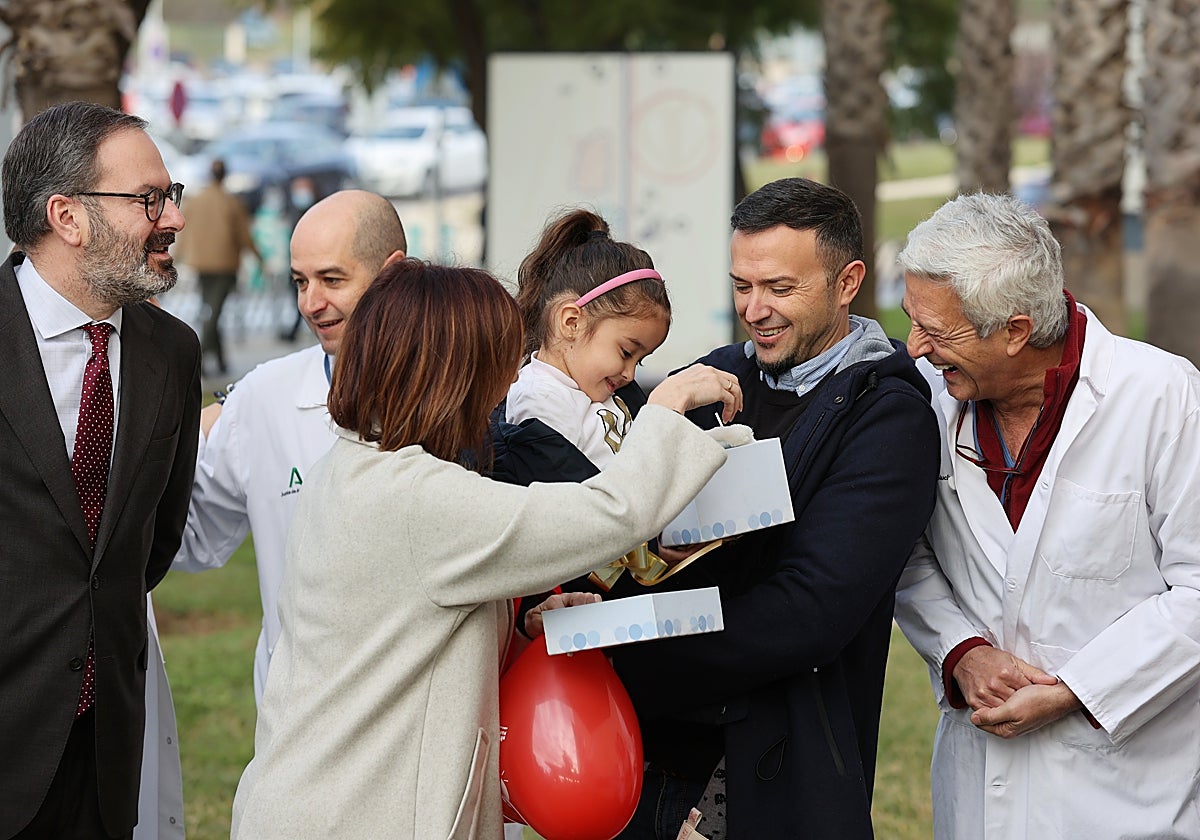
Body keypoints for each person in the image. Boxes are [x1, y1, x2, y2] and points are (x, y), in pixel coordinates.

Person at [230, 259, 740, 839]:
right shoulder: (417, 497)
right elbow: (611, 514)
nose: (504, 388)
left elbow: (403, 634)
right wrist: (666, 410)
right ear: (452, 375)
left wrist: (517, 632)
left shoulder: (355, 468)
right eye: (497, 367)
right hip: (359, 811)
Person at [604, 177, 941, 838]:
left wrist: (631, 649)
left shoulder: (889, 416)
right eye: (741, 286)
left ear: (847, 284)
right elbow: (616, 522)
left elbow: (809, 613)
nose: (754, 310)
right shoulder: (707, 380)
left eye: (780, 288)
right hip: (648, 761)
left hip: (782, 772)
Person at [893, 192, 1200, 838]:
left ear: (1015, 331)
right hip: (977, 796)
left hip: (1129, 800)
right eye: (911, 320)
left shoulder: (1163, 399)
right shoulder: (921, 401)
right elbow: (903, 550)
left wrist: (1076, 689)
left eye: (938, 332)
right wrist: (960, 652)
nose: (916, 348)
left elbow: (1197, 592)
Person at [0, 101, 201, 840]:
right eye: (149, 199)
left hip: (108, 749)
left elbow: (152, 544)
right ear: (67, 216)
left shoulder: (171, 351)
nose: (172, 219)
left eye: (169, 196)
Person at [171, 189, 406, 703]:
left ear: (393, 273)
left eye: (332, 279)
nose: (310, 304)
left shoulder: (462, 394)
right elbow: (186, 538)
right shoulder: (264, 397)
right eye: (300, 282)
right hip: (295, 732)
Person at [173, 158, 261, 376]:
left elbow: (183, 231)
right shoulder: (231, 202)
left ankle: (220, 361)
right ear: (225, 175)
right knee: (214, 312)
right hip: (225, 265)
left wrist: (178, 257)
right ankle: (199, 359)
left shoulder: (196, 200)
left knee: (212, 311)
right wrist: (260, 259)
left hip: (201, 264)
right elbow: (244, 236)